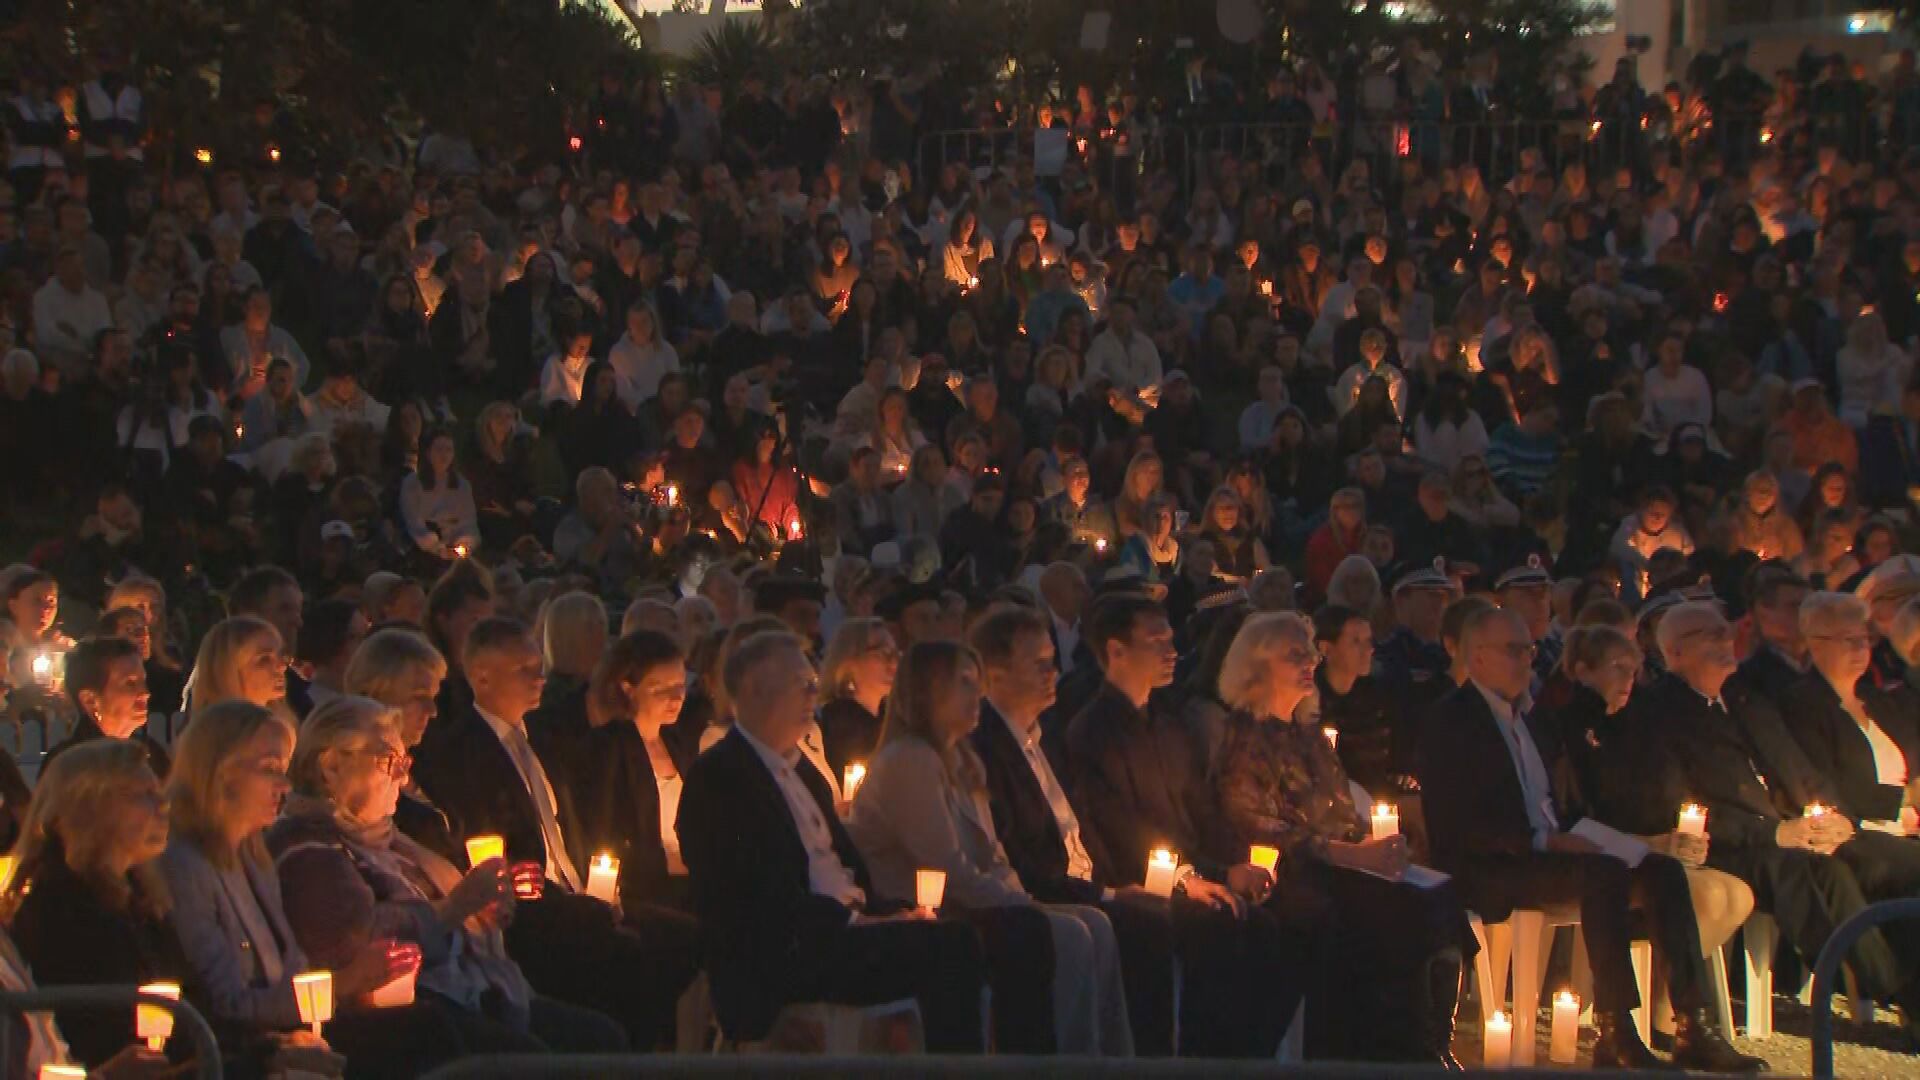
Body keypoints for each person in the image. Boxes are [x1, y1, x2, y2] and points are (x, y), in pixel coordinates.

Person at [1418, 606, 1764, 1071]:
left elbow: (1564, 803)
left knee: (1659, 870)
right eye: (1514, 650)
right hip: (1493, 863)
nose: (1526, 660)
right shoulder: (1451, 721)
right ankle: (1615, 1029)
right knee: (1602, 876)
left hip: (1553, 847)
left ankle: (1693, 1023)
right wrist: (1545, 841)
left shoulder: (1535, 719)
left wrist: (1594, 835)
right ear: (1477, 658)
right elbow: (1457, 821)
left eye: (1530, 650)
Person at [676, 628, 988, 1051]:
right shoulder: (720, 777)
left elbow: (843, 864)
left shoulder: (806, 772)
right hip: (789, 951)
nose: (813, 696)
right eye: (802, 685)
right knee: (953, 948)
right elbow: (752, 897)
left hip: (840, 928)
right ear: (752, 689)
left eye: (814, 685)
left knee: (955, 933)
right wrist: (860, 921)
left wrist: (888, 911)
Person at [269, 695, 627, 1055]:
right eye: (389, 762)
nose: (404, 776)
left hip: (471, 985)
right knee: (545, 1056)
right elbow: (352, 938)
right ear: (331, 766)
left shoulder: (389, 839)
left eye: (405, 760)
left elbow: (451, 907)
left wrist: (483, 908)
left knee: (603, 1035)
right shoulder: (309, 848)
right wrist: (455, 907)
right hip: (415, 1017)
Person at [1633, 600, 1920, 1045]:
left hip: (1797, 830)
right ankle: (1904, 996)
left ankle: (1904, 989)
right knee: (1823, 875)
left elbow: (1802, 771)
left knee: (1904, 861)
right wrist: (1775, 832)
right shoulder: (1659, 714)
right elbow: (1675, 806)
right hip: (1738, 844)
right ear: (1675, 652)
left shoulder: (1744, 698)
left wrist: (1836, 818)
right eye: (1712, 636)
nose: (1728, 642)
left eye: (1727, 632)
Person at [408, 617, 701, 1049]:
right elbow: (492, 849)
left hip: (579, 890)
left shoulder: (542, 736)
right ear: (483, 678)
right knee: (632, 956)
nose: (539, 677)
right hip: (531, 910)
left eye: (537, 665)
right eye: (524, 669)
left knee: (687, 937)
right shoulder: (463, 754)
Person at [1214, 611, 1475, 1066]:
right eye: (1293, 654)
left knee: (1441, 893)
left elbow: (1340, 808)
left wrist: (1377, 844)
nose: (1308, 661)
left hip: (1344, 857)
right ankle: (1403, 1049)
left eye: (1308, 652)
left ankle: (1435, 1039)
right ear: (1257, 666)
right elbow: (1257, 824)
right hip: (1298, 869)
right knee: (1393, 908)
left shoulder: (1309, 735)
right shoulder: (1245, 736)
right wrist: (1350, 853)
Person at [849, 639, 1132, 1055]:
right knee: (1068, 934)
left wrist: (1017, 895)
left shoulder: (962, 761)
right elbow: (947, 866)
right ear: (928, 691)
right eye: (963, 683)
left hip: (977, 902)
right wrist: (1017, 903)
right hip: (930, 911)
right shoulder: (909, 760)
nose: (977, 694)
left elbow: (993, 857)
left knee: (1096, 924)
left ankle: (1103, 1056)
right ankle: (1061, 1059)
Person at [1066, 593, 1311, 1058]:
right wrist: (1202, 878)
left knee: (1286, 922)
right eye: (1155, 640)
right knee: (1223, 931)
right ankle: (1207, 1059)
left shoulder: (1167, 724)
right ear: (1116, 651)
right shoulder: (1092, 732)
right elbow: (1120, 831)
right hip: (1143, 883)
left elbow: (1202, 812)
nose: (1171, 650)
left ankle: (1243, 1056)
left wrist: (1236, 865)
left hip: (1197, 872)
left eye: (1171, 639)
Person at [158, 700, 454, 1080]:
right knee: (429, 1037)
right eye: (269, 770)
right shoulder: (188, 868)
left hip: (294, 1027)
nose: (284, 785)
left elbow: (293, 966)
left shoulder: (253, 854)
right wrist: (344, 983)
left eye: (283, 770)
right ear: (221, 775)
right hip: (248, 1051)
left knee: (432, 1027)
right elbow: (228, 1004)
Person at [7, 741, 183, 1073]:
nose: (163, 804)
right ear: (86, 808)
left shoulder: (139, 904)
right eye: (141, 794)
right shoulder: (63, 915)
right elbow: (99, 1038)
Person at [563, 630, 700, 916]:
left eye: (680, 685)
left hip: (691, 878)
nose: (676, 697)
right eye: (661, 689)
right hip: (646, 890)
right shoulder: (608, 746)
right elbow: (600, 827)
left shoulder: (677, 742)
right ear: (628, 688)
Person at [43, 634, 171, 778]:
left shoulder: (151, 755)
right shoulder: (69, 766)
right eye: (130, 684)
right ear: (90, 700)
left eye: (143, 682)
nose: (145, 693)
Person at [816, 617, 897, 777]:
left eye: (894, 653)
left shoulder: (889, 719)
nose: (893, 663)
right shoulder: (841, 725)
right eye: (881, 654)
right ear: (849, 662)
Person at [183, 615, 293, 724]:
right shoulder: (217, 739)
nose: (282, 666)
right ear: (225, 673)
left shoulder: (280, 729)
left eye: (280, 654)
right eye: (264, 659)